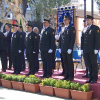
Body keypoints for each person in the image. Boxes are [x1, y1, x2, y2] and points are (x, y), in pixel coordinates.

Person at [81, 15, 100, 83]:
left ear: (92, 20)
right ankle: (90, 77)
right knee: (88, 64)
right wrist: (82, 48)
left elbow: (97, 39)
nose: (87, 21)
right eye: (86, 20)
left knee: (93, 63)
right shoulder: (84, 29)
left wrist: (96, 48)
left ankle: (94, 78)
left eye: (88, 20)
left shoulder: (95, 28)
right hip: (86, 49)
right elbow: (82, 40)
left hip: (92, 49)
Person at [59, 15, 76, 81]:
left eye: (66, 20)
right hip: (63, 48)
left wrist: (70, 48)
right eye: (64, 20)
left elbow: (72, 39)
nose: (65, 21)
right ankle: (66, 75)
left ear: (69, 20)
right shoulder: (63, 28)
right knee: (65, 62)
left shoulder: (71, 28)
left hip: (68, 48)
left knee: (69, 62)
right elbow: (61, 39)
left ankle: (71, 76)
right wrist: (60, 47)